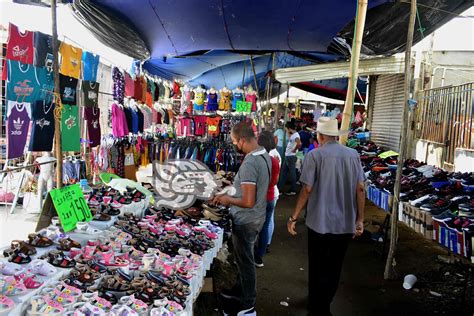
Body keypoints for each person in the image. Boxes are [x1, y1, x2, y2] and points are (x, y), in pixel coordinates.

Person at [287, 117, 366, 316]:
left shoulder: (315, 156)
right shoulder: (353, 155)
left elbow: (307, 189)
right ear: (335, 135)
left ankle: (316, 305)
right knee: (334, 266)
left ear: (320, 136)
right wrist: (360, 219)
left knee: (317, 265)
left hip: (319, 223)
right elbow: (361, 189)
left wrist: (294, 217)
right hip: (345, 224)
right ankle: (324, 305)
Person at [213, 121, 271, 316]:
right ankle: (240, 293)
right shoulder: (264, 154)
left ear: (244, 139)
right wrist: (232, 189)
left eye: (236, 142)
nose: (236, 146)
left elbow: (247, 200)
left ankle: (248, 306)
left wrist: (226, 199)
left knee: (246, 262)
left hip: (246, 219)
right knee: (243, 259)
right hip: (256, 217)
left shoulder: (250, 163)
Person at [254, 131, 281, 268]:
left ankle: (250, 255)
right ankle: (259, 257)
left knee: (252, 227)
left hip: (258, 199)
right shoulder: (274, 161)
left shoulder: (255, 159)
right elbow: (275, 181)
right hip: (270, 197)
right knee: (265, 228)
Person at [277, 121, 301, 196]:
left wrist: (294, 150)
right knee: (284, 173)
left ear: (289, 128)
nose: (286, 130)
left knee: (292, 173)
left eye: (287, 129)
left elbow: (299, 143)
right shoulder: (293, 134)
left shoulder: (296, 135)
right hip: (288, 156)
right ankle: (279, 189)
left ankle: (293, 189)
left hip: (291, 156)